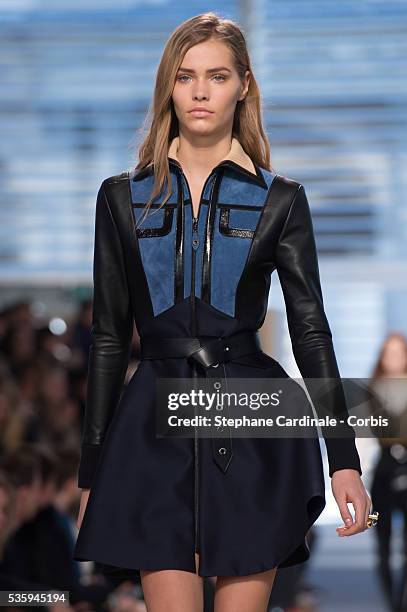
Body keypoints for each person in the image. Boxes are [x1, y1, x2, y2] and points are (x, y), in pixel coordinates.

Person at [73, 11, 374, 612]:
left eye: (216, 75)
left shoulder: (279, 199)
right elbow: (108, 337)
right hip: (154, 421)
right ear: (169, 87)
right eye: (186, 76)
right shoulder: (122, 198)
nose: (201, 91)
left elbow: (311, 329)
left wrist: (344, 460)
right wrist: (92, 471)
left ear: (243, 85)